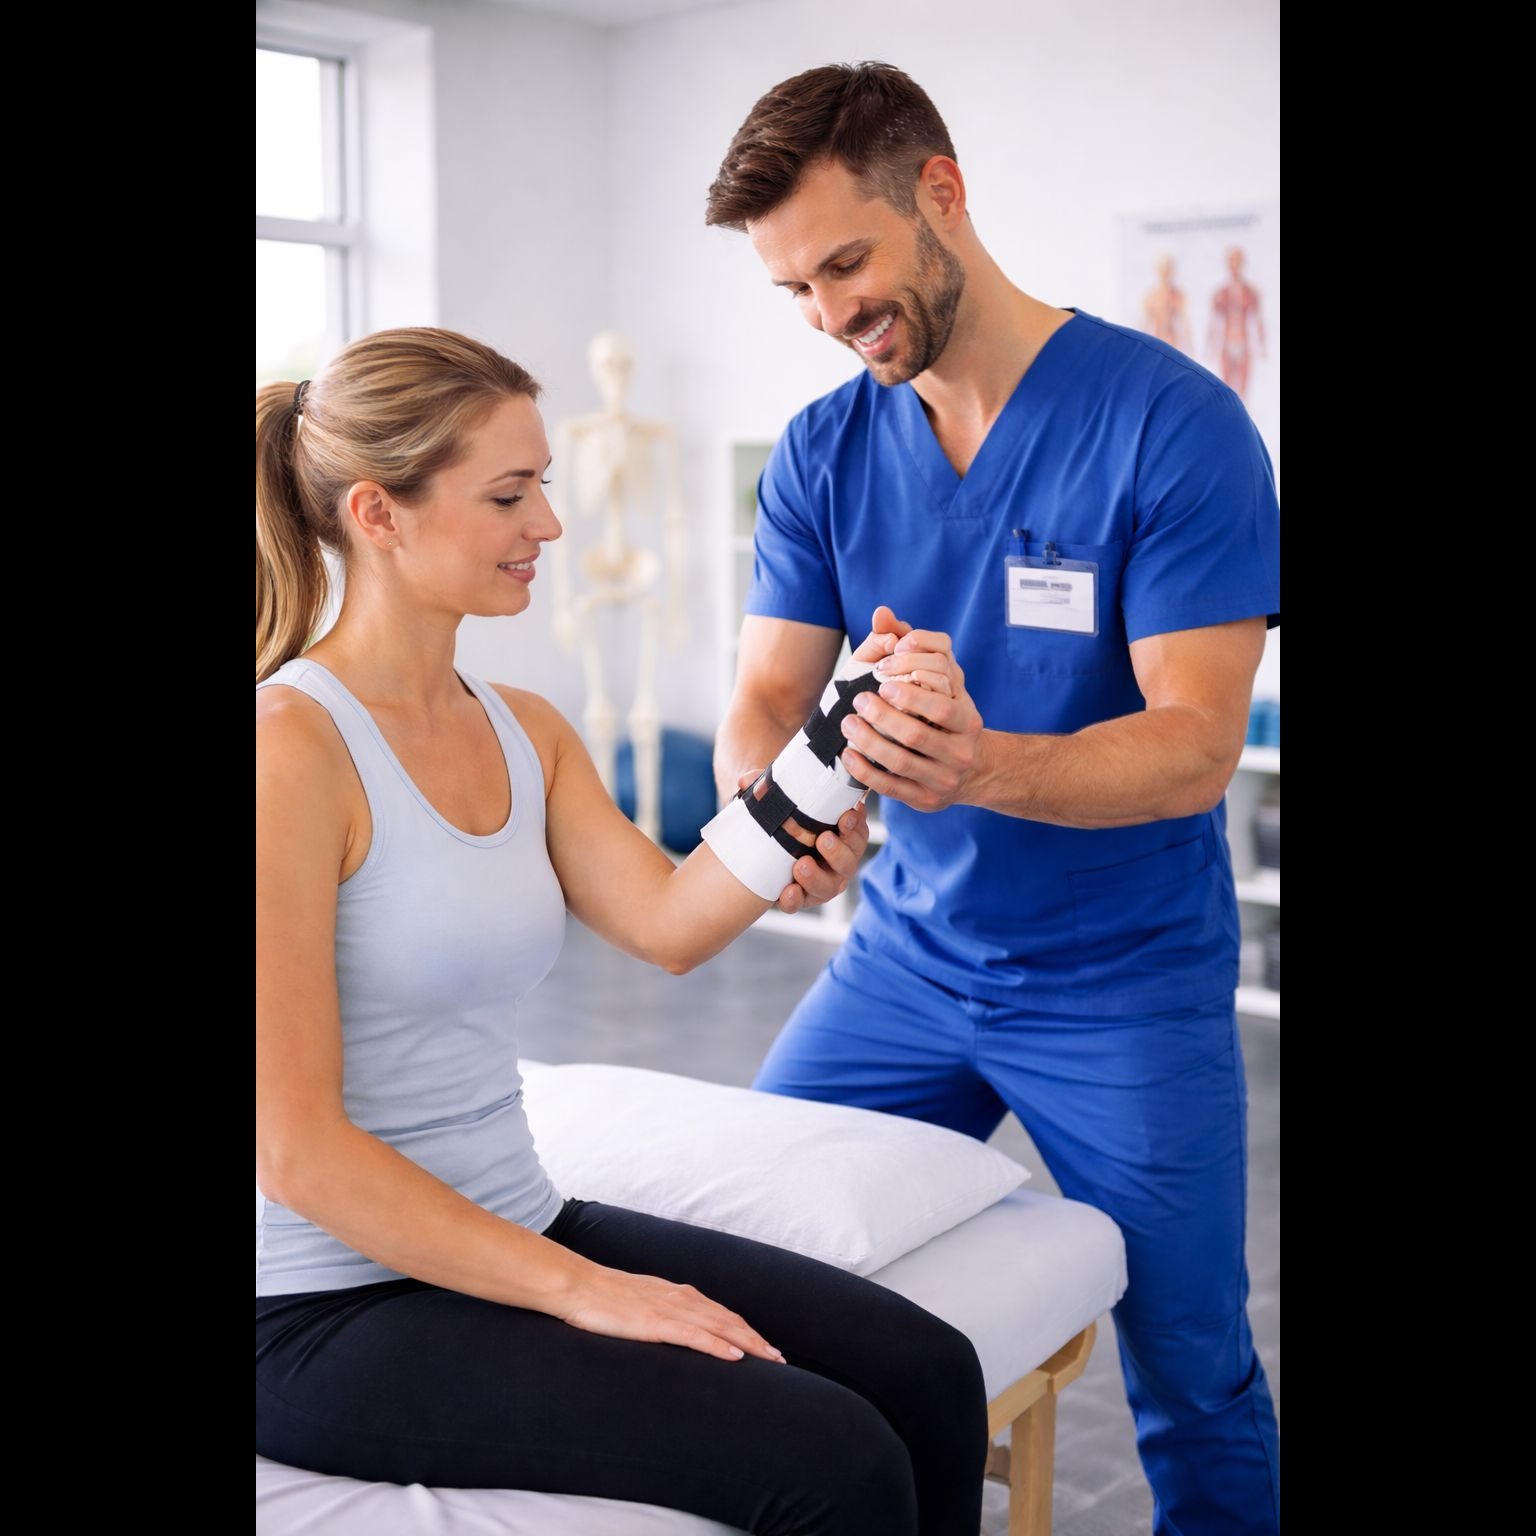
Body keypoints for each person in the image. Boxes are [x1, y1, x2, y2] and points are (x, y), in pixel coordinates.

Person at [254, 326, 987, 1536]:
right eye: (509, 495)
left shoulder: (525, 729)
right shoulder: (288, 752)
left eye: (542, 485)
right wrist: (585, 1291)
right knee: (839, 1462)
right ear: (378, 514)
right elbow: (296, 1154)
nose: (549, 524)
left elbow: (670, 921)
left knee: (929, 1372)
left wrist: (841, 735)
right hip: (321, 1305)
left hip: (511, 1217)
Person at [705, 63, 1281, 1536]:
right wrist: (782, 819)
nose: (829, 314)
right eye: (795, 289)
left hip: (1123, 985)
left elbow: (1196, 746)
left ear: (942, 195)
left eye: (847, 263)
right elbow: (764, 697)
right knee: (750, 1275)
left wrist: (980, 767)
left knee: (1194, 1372)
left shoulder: (1173, 425)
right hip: (904, 962)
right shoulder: (826, 451)